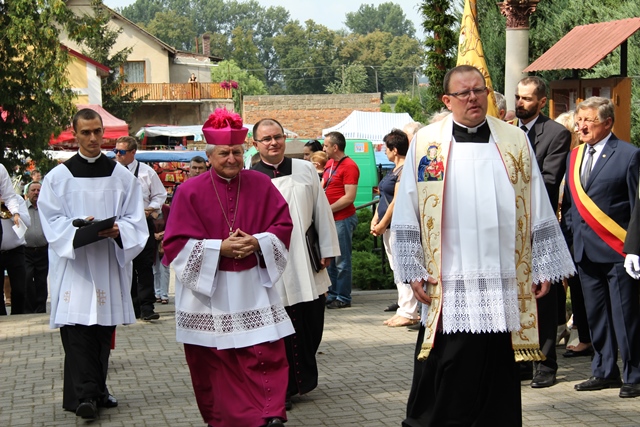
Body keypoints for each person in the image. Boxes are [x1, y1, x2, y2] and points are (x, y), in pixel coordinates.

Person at [391, 65, 575, 426]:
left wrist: (540, 264)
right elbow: (409, 209)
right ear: (447, 100)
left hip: (504, 273)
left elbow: (536, 201)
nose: (473, 98)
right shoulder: (427, 143)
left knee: (497, 363)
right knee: (447, 360)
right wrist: (413, 269)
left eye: (479, 90)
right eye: (463, 93)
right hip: (448, 273)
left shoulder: (513, 139)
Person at [162, 109, 294, 427]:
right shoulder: (189, 191)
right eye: (224, 153)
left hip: (251, 285)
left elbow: (283, 225)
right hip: (208, 292)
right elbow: (174, 244)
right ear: (210, 156)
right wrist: (218, 248)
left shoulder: (261, 183)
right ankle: (229, 419)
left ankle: (270, 412)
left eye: (236, 152)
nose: (232, 159)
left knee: (265, 350)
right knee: (215, 359)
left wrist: (258, 242)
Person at [38, 108, 148, 419]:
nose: (92, 138)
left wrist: (119, 230)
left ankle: (97, 390)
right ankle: (86, 395)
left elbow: (135, 220)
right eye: (85, 132)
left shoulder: (121, 176)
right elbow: (51, 220)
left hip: (107, 263)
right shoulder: (58, 177)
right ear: (74, 134)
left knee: (102, 331)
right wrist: (77, 227)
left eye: (97, 131)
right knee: (76, 331)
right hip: (75, 267)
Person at [251, 117, 340, 410]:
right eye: (266, 139)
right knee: (279, 327)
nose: (273, 143)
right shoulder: (250, 177)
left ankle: (302, 379)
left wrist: (327, 248)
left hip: (305, 256)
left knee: (312, 321)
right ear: (255, 144)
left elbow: (321, 210)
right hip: (272, 262)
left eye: (277, 136)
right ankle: (282, 387)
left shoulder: (304, 169)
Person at [562, 97, 640, 399]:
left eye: (588, 121)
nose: (581, 127)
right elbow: (571, 206)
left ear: (607, 123)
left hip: (617, 251)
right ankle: (604, 370)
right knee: (596, 315)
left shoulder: (629, 155)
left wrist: (634, 248)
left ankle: (633, 374)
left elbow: (636, 207)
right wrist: (570, 240)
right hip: (584, 250)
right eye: (578, 120)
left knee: (624, 316)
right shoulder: (574, 156)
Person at [515, 75, 573, 388]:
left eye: (526, 99)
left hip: (540, 225)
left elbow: (549, 180)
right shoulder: (506, 131)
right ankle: (523, 359)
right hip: (510, 228)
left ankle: (546, 364)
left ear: (541, 101)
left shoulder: (555, 133)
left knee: (544, 297)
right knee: (517, 295)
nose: (519, 103)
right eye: (517, 97)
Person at [114, 136, 167, 321]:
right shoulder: (111, 172)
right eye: (115, 151)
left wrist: (151, 208)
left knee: (144, 265)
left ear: (133, 152)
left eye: (121, 152)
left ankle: (146, 307)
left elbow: (160, 195)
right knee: (124, 263)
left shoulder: (146, 172)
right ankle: (130, 305)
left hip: (142, 223)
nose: (117, 155)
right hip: (121, 225)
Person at [555, 111, 592, 358]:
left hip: (580, 233)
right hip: (564, 230)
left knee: (580, 285)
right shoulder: (566, 159)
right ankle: (570, 327)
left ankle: (583, 332)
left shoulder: (578, 160)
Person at [372, 129, 418, 327]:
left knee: (403, 267)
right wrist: (376, 219)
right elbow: (384, 197)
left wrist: (382, 223)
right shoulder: (393, 169)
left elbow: (396, 200)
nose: (385, 152)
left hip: (397, 225)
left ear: (395, 149)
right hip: (388, 226)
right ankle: (403, 308)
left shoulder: (405, 169)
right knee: (396, 268)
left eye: (387, 148)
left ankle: (409, 311)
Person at [322, 131, 359, 309]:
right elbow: (323, 186)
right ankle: (332, 294)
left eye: (326, 145)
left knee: (342, 261)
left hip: (342, 219)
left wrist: (327, 210)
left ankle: (343, 297)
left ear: (335, 147)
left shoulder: (349, 166)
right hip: (330, 219)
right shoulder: (330, 163)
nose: (323, 149)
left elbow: (349, 197)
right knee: (330, 259)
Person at [0, 194, 29, 315]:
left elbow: (28, 222)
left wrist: (12, 211)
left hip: (15, 250)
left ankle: (18, 316)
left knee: (19, 289)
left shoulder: (17, 199)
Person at [24, 181, 49, 314]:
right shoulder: (21, 208)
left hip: (43, 250)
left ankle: (40, 309)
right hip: (26, 251)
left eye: (39, 190)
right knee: (27, 279)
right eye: (33, 190)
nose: (36, 193)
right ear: (27, 193)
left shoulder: (46, 208)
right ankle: (29, 309)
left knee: (41, 281)